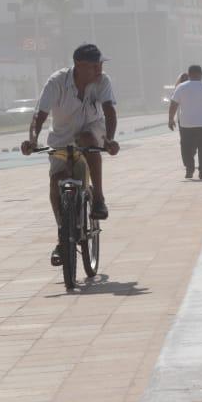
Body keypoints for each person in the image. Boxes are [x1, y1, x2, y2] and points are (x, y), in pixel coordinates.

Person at [22, 43, 120, 265]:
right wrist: (33, 140)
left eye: (101, 65)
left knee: (87, 138)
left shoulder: (103, 82)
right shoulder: (57, 82)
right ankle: (62, 235)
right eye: (95, 65)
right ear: (79, 65)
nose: (99, 69)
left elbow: (109, 111)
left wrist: (110, 139)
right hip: (61, 138)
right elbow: (39, 115)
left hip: (93, 129)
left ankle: (99, 199)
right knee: (56, 181)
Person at [167, 63, 202, 179]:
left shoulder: (181, 87)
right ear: (201, 75)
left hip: (186, 125)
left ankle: (189, 168)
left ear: (189, 74)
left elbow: (173, 104)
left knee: (186, 148)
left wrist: (170, 119)